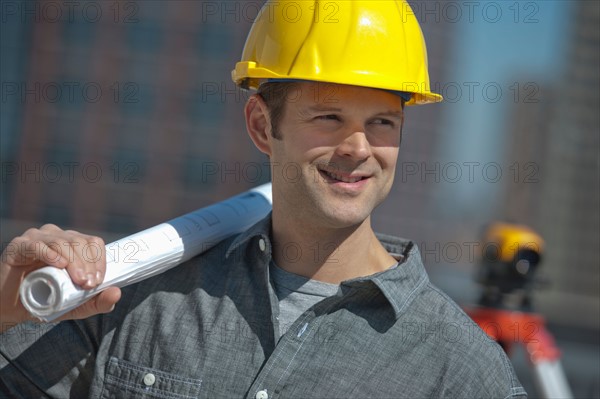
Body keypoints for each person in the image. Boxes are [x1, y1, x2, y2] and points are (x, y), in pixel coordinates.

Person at [0, 1, 527, 397]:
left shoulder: (459, 370)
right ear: (260, 124)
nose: (358, 148)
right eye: (328, 117)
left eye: (382, 123)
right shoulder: (136, 297)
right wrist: (4, 310)